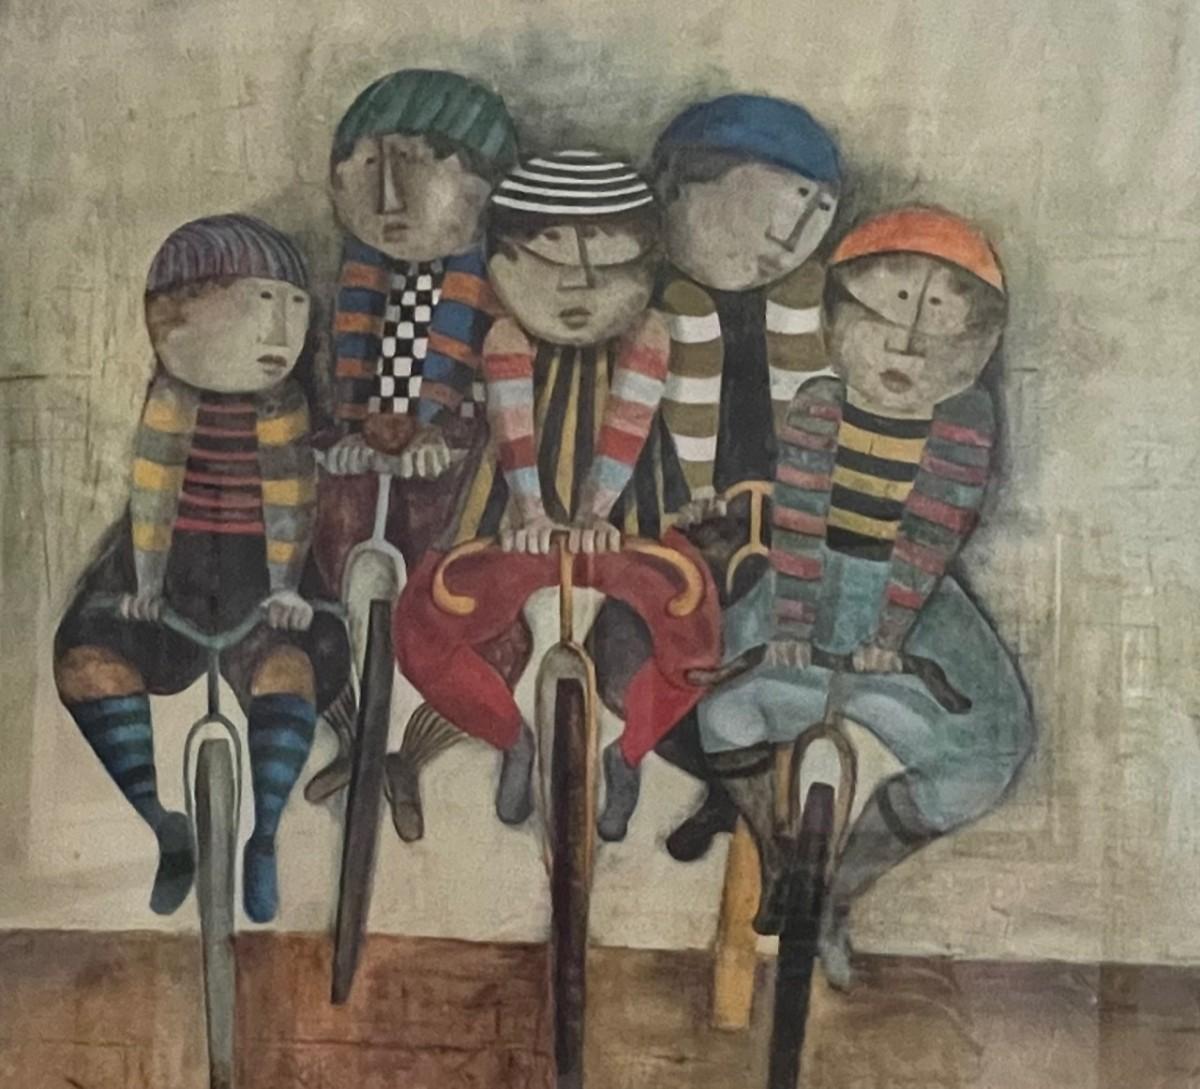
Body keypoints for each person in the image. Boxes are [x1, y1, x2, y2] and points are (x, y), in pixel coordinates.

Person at [696, 205, 1034, 988]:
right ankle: (781, 855)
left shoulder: (966, 418)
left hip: (913, 602)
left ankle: (837, 892)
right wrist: (790, 621)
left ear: (976, 346)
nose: (906, 346)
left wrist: (889, 635)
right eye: (884, 315)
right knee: (718, 703)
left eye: (939, 325)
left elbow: (932, 532)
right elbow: (799, 519)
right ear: (837, 318)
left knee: (988, 746)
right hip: (809, 580)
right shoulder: (819, 404)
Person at [394, 150, 720, 837]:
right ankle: (511, 738)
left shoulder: (649, 334)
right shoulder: (503, 334)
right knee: (421, 630)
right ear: (503, 263)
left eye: (609, 266)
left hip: (627, 523)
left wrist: (599, 515)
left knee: (694, 637)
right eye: (550, 262)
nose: (579, 286)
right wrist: (532, 513)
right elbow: (510, 433)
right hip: (508, 524)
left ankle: (628, 754)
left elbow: (630, 430)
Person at [54, 215, 352, 922]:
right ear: (173, 316)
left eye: (293, 307)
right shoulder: (168, 403)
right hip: (164, 570)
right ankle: (162, 822)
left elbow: (291, 502)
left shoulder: (285, 407)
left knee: (289, 671)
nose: (279, 331)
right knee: (88, 664)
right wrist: (146, 585)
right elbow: (153, 494)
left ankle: (265, 834)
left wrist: (286, 589)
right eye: (258, 304)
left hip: (265, 575)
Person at [618, 94, 844, 861]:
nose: (789, 236)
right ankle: (727, 788)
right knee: (644, 659)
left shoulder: (817, 317)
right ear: (679, 188)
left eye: (816, 212)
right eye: (775, 202)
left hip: (788, 531)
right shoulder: (635, 309)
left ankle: (743, 798)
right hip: (667, 527)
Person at [307, 69, 521, 832]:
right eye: (367, 169)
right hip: (369, 452)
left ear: (487, 185)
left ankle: (411, 750)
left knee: (457, 604)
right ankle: (356, 733)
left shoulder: (501, 285)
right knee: (326, 574)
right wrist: (350, 439)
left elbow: (503, 397)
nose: (389, 199)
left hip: (457, 463)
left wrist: (446, 435)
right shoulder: (357, 281)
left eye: (418, 167)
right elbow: (350, 383)